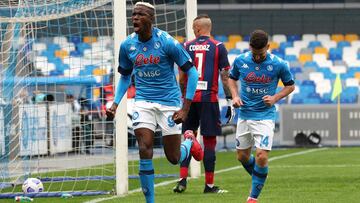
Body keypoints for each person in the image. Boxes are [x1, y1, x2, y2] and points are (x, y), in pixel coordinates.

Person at [106, 2, 203, 203]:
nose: (134, 18)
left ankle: (189, 141)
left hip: (169, 102)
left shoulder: (167, 42)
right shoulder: (127, 45)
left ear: (151, 18)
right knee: (144, 148)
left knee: (174, 158)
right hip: (143, 102)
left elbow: (192, 72)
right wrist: (115, 104)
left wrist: (185, 108)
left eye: (140, 14)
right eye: (133, 15)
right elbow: (125, 76)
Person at [228, 29, 295, 203]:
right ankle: (260, 175)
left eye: (261, 53)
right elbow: (231, 79)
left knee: (261, 156)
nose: (257, 57)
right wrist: (235, 96)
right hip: (244, 114)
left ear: (268, 47)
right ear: (250, 47)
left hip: (265, 116)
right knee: (242, 157)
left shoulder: (279, 64)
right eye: (254, 53)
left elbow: (290, 86)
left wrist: (275, 98)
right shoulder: (240, 60)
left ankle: (252, 198)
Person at [173, 14, 234, 194]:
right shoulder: (218, 47)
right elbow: (225, 76)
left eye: (194, 28)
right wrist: (229, 100)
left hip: (191, 100)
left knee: (187, 139)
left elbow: (182, 77)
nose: (193, 30)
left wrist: (185, 100)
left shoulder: (185, 46)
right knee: (209, 142)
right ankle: (208, 186)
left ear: (198, 29)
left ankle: (182, 181)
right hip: (209, 99)